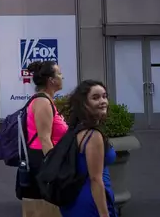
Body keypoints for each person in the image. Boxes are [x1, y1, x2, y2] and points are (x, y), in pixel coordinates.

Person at [60, 80, 118, 217]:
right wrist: (104, 214)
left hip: (76, 199)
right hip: (91, 202)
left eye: (104, 96)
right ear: (84, 104)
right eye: (95, 98)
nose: (103, 101)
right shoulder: (93, 135)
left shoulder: (77, 129)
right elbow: (95, 179)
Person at [19, 60, 69, 217]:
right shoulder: (42, 102)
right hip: (41, 159)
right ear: (51, 80)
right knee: (43, 209)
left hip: (44, 157)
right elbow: (44, 138)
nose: (62, 77)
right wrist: (53, 168)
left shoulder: (46, 100)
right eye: (59, 74)